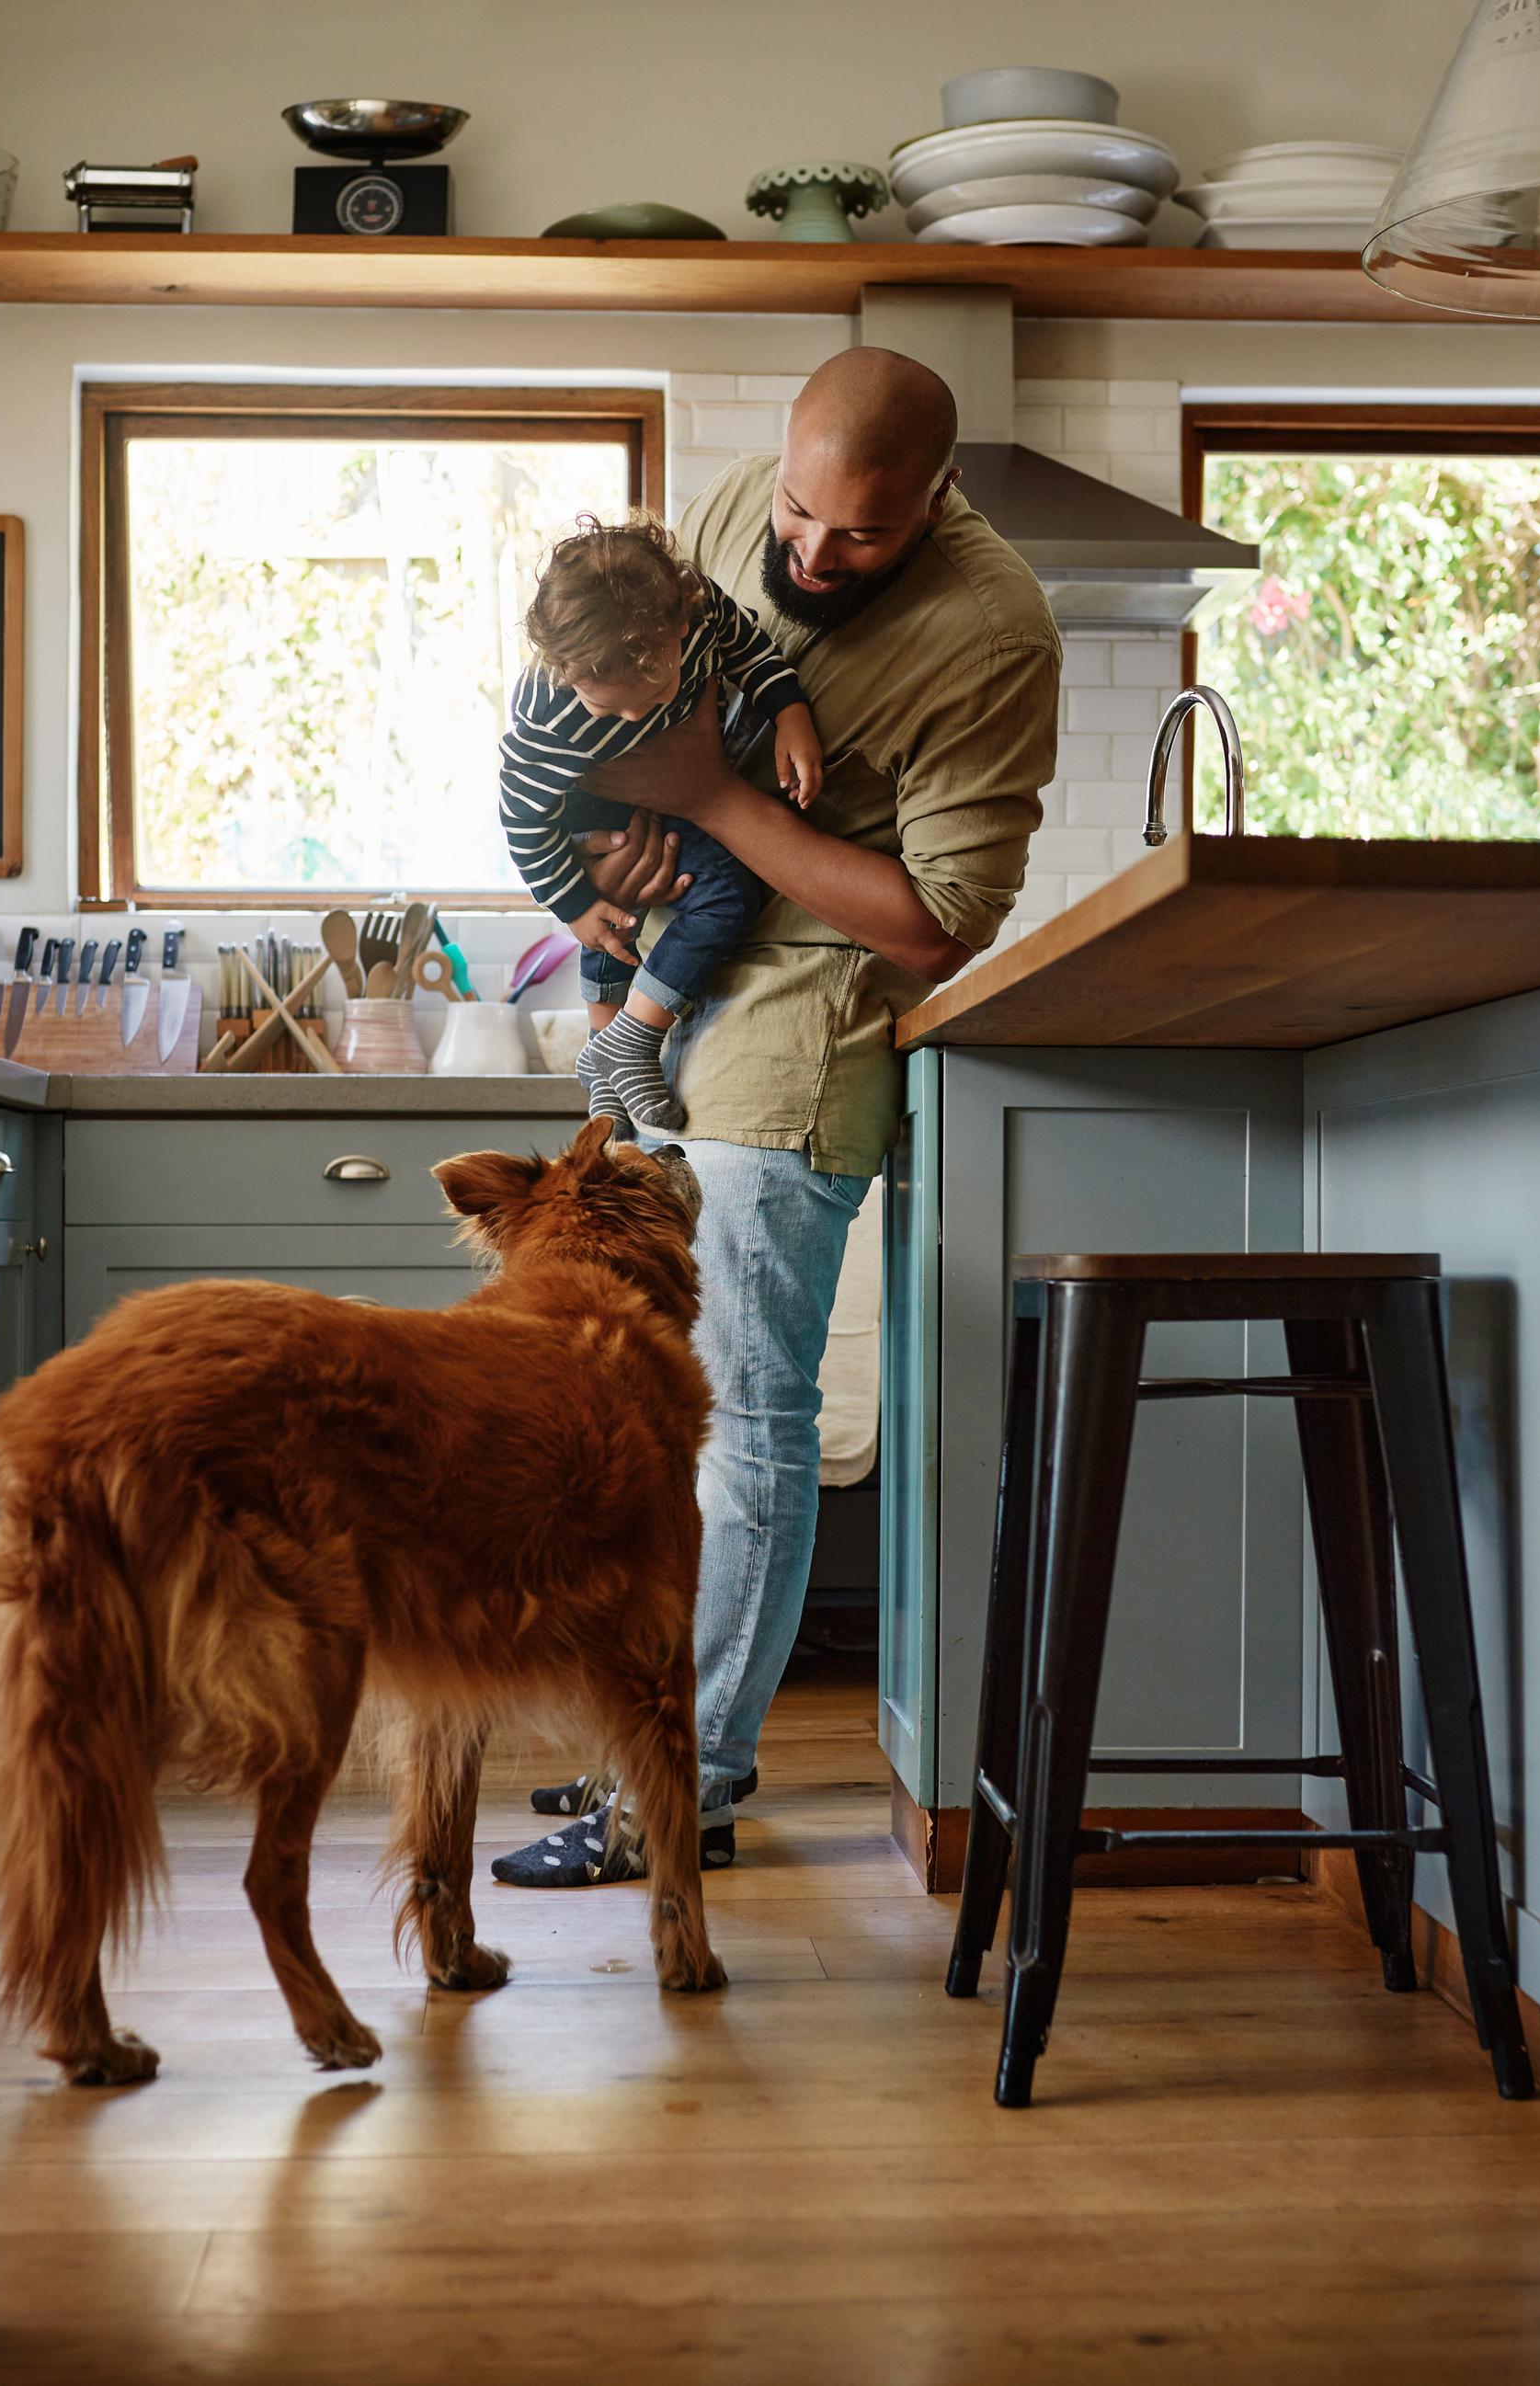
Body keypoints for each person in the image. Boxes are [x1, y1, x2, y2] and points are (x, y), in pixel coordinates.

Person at [491, 347, 1059, 1889]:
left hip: (796, 1041)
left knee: (748, 1429)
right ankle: (656, 1752)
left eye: (859, 539)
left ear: (937, 497)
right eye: (799, 516)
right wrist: (605, 874)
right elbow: (615, 727)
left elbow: (941, 925)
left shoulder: (994, 631)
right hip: (685, 997)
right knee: (666, 1423)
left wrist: (714, 801)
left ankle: (697, 1786)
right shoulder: (744, 507)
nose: (809, 556)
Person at [499, 512, 825, 1131]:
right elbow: (520, 818)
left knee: (729, 895)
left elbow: (751, 651)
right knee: (609, 918)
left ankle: (625, 1042)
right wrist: (573, 905)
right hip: (586, 810)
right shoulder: (549, 716)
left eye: (650, 696)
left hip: (676, 792)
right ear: (563, 669)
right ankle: (609, 1056)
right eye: (605, 706)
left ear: (681, 622)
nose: (628, 721)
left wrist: (790, 712)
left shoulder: (701, 613)